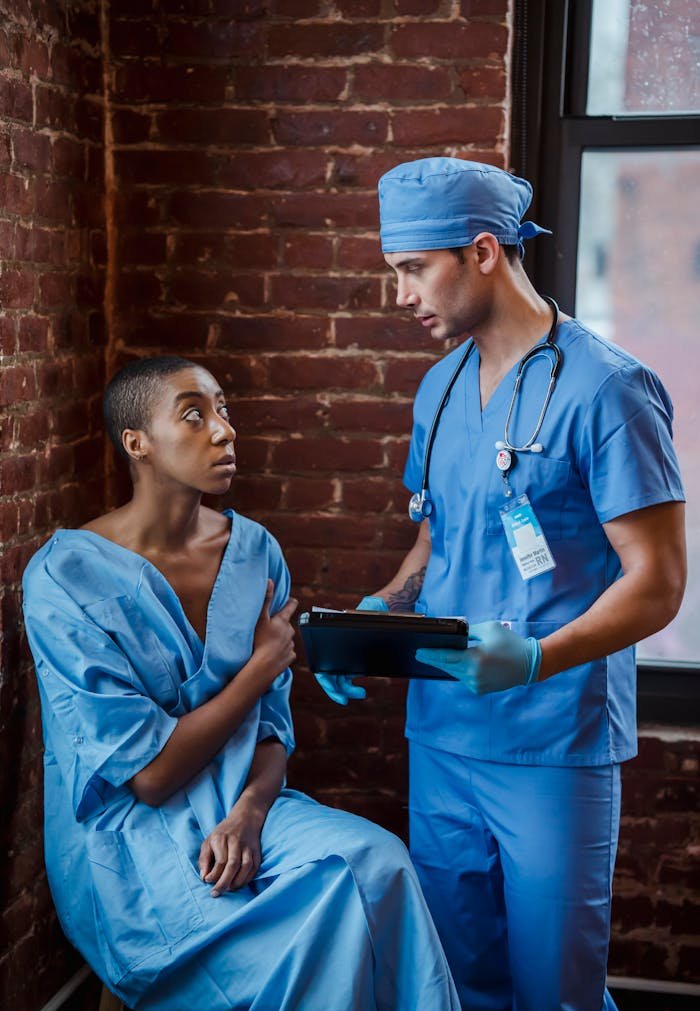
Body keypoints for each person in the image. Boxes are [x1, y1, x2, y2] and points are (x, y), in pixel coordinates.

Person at [315, 158, 687, 1011]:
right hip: (443, 731)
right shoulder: (441, 388)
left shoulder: (609, 390)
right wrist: (387, 605)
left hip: (552, 741)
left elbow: (660, 584)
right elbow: (436, 532)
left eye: (413, 270)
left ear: (483, 250)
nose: (401, 295)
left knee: (555, 988)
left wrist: (536, 658)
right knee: (458, 979)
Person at [22, 356, 460, 1011]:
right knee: (313, 925)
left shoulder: (255, 552)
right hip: (130, 840)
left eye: (224, 410)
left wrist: (250, 814)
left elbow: (273, 729)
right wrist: (259, 667)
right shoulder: (65, 581)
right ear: (136, 442)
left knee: (377, 861)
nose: (224, 430)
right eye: (194, 415)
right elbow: (148, 776)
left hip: (245, 801)